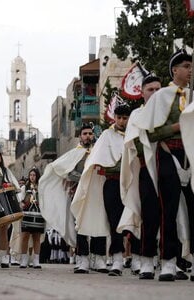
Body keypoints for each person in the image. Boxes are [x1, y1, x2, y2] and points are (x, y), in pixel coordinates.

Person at [133, 49, 194, 281]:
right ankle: (168, 261)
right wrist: (176, 127)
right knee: (168, 209)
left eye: (192, 66)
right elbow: (150, 133)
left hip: (193, 156)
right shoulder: (161, 97)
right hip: (168, 153)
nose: (191, 70)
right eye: (186, 66)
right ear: (175, 70)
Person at [72, 104, 140, 276]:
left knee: (136, 217)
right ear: (114, 118)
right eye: (119, 118)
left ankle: (138, 259)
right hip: (112, 182)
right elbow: (97, 161)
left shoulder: (135, 133)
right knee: (114, 221)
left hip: (132, 182)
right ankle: (117, 260)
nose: (122, 121)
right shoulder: (106, 136)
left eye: (125, 118)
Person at [40, 124, 107, 273]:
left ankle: (99, 258)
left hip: (97, 193)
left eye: (90, 133)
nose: (88, 136)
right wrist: (83, 178)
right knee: (81, 225)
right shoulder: (74, 154)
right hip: (79, 193)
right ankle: (83, 259)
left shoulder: (98, 152)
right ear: (80, 136)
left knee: (99, 222)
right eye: (85, 133)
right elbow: (68, 172)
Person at [118, 75, 162, 279]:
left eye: (157, 89)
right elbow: (135, 145)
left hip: (169, 168)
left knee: (173, 215)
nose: (154, 93)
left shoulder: (170, 110)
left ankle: (173, 260)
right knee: (150, 216)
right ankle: (146, 260)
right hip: (146, 169)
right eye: (150, 89)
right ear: (142, 92)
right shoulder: (137, 114)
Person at [19, 167, 43, 269]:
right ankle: (24, 259)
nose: (32, 177)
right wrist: (22, 204)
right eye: (31, 175)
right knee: (25, 236)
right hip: (27, 215)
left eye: (34, 175)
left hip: (38, 215)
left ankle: (36, 260)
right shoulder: (25, 187)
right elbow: (20, 199)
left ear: (37, 176)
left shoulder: (41, 187)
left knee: (36, 237)